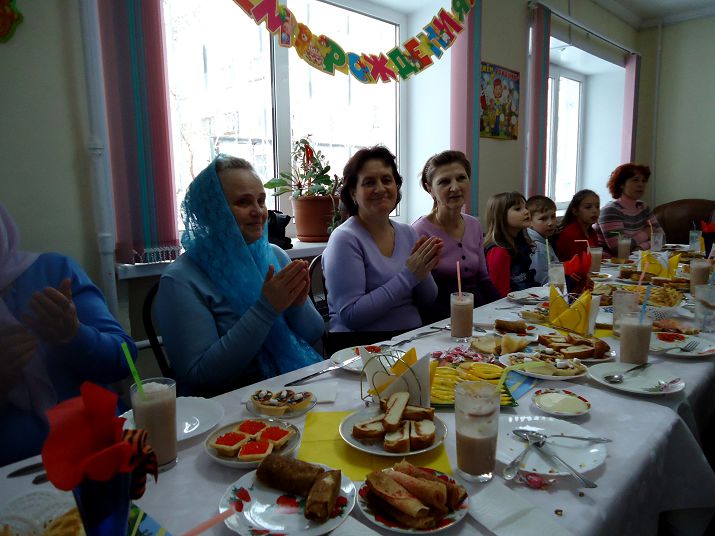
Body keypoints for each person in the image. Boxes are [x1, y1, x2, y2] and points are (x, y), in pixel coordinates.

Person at [155, 156, 324, 397]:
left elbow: (313, 334)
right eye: (243, 202)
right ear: (212, 211)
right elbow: (201, 378)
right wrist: (266, 309)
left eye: (261, 201)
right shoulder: (180, 280)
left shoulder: (274, 256)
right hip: (224, 409)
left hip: (290, 393)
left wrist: (297, 306)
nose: (258, 212)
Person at [0, 203, 137, 466]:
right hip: (15, 470)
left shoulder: (53, 272)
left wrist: (74, 336)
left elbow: (126, 359)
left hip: (101, 449)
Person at [322, 146, 440, 345]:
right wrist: (409, 276)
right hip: (361, 347)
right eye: (369, 182)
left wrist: (424, 269)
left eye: (387, 180)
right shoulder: (344, 239)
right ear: (353, 193)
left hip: (411, 340)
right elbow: (351, 316)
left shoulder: (408, 232)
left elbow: (427, 300)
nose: (380, 189)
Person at [412, 150, 500, 323]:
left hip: (479, 312)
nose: (455, 187)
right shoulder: (419, 231)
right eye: (444, 182)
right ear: (430, 189)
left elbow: (483, 278)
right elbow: (419, 294)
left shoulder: (474, 224)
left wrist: (502, 309)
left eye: (461, 178)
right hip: (439, 319)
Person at [594, 163, 662, 255]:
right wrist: (646, 233)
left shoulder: (643, 207)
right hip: (610, 262)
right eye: (635, 180)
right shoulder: (610, 211)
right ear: (621, 184)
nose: (641, 185)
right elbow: (619, 249)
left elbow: (661, 238)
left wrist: (640, 248)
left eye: (644, 181)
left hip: (636, 259)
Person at [483, 192, 537, 297]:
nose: (527, 212)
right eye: (518, 209)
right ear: (501, 216)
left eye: (526, 207)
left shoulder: (520, 243)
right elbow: (500, 294)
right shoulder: (498, 251)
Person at [555, 189, 605, 261]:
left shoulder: (592, 232)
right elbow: (579, 262)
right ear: (575, 211)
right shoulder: (570, 234)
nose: (595, 211)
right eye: (588, 207)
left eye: (597, 206)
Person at [525, 195, 558, 285]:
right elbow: (542, 281)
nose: (550, 223)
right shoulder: (536, 248)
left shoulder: (544, 239)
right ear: (529, 222)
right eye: (543, 219)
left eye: (553, 216)